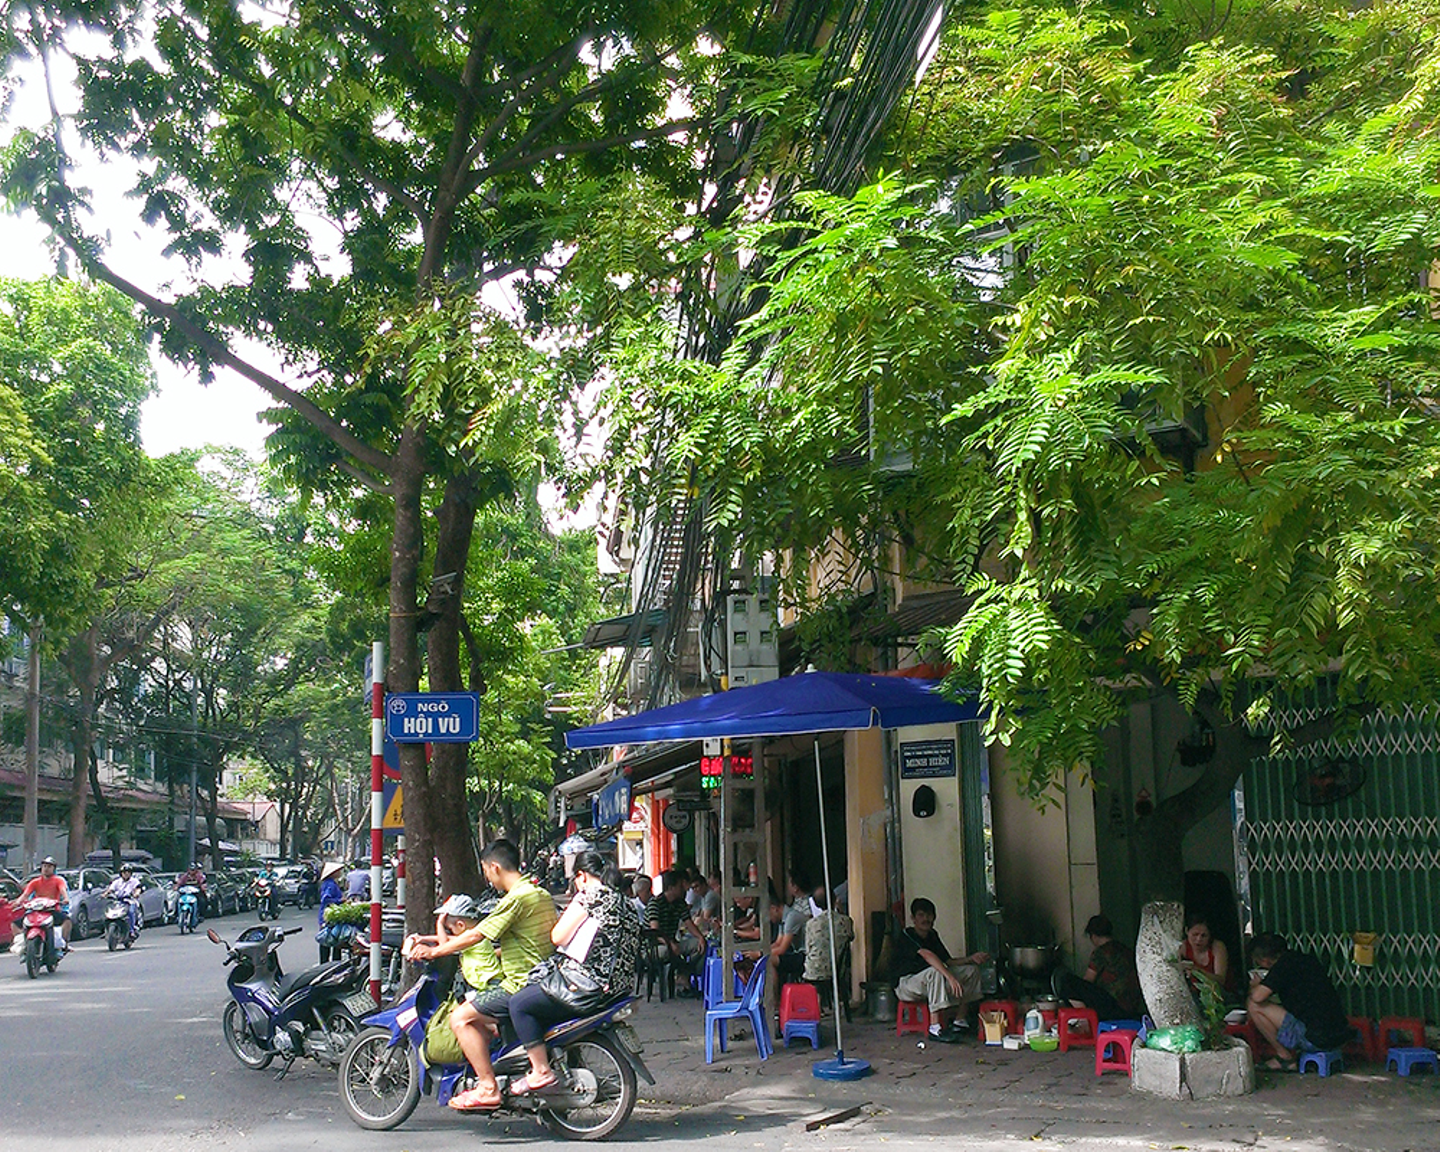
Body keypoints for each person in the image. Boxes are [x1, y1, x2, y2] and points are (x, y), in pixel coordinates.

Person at [410, 840, 558, 1112]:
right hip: (544, 978)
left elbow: (476, 935)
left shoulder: (516, 898)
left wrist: (434, 952)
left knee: (460, 1018)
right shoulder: (541, 894)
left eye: (486, 871)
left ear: (495, 867)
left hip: (520, 984)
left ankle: (488, 1087)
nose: (487, 878)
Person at [505, 851, 640, 1097]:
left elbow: (557, 937)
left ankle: (540, 1070)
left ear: (582, 876)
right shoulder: (627, 904)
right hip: (617, 989)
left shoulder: (590, 896)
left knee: (519, 1004)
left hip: (585, 986)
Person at [1246, 932, 1350, 1070]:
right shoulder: (1306, 959)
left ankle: (1284, 1058)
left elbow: (1258, 997)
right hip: (1340, 1035)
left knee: (1254, 1005)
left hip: (1315, 1039)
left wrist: (1255, 985)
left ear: (1264, 960)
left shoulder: (1282, 966)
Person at [891, 896, 989, 1042]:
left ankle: (960, 1021)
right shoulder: (907, 935)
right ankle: (935, 1028)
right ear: (913, 918)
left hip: (929, 982)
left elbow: (948, 961)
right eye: (921, 915)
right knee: (935, 971)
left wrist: (971, 959)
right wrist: (950, 977)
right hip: (906, 984)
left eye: (929, 915)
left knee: (971, 971)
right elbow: (927, 955)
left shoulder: (932, 935)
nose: (926, 919)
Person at [1053, 913, 1145, 1022]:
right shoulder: (1125, 950)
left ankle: (1084, 1017)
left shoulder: (1101, 953)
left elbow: (1088, 980)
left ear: (1093, 936)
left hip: (1113, 1006)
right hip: (1131, 1007)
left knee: (1068, 982)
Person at [645, 870, 703, 981]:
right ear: (671, 888)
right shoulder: (655, 903)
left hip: (673, 943)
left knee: (699, 945)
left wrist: (700, 937)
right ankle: (682, 974)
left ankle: (685, 972)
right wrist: (670, 943)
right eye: (680, 886)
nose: (683, 889)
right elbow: (655, 932)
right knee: (667, 951)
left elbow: (689, 923)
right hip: (655, 946)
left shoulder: (680, 904)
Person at [802, 886, 855, 988]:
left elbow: (808, 949)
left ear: (816, 904)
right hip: (836, 972)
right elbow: (851, 936)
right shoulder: (845, 921)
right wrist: (841, 911)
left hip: (813, 973)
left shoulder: (811, 924)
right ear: (835, 899)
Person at [18, 856, 72, 951]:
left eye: (49, 866)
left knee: (67, 921)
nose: (46, 869)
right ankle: (23, 945)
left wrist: (66, 899)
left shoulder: (58, 880)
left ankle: (63, 945)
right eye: (44, 866)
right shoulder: (35, 882)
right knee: (15, 923)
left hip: (51, 910)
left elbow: (63, 890)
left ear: (54, 869)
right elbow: (25, 895)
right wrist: (18, 902)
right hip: (36, 911)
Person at [1180, 912, 1231, 991]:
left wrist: (1197, 971)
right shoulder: (1182, 947)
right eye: (1195, 934)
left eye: (1203, 936)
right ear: (1187, 931)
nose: (1198, 939)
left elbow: (1220, 980)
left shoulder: (1217, 947)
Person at [103, 864, 144, 937]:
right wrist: (105, 894)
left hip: (130, 901)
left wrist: (136, 893)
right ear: (121, 873)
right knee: (108, 912)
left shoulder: (134, 881)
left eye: (128, 872)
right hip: (118, 901)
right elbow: (110, 889)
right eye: (124, 872)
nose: (126, 874)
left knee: (131, 912)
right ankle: (107, 931)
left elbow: (138, 888)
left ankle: (132, 930)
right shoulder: (117, 882)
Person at [318, 861, 345, 962]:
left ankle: (328, 962)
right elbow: (325, 899)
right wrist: (340, 901)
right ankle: (327, 962)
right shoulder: (330, 885)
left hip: (330, 914)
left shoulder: (331, 883)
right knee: (329, 938)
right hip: (329, 915)